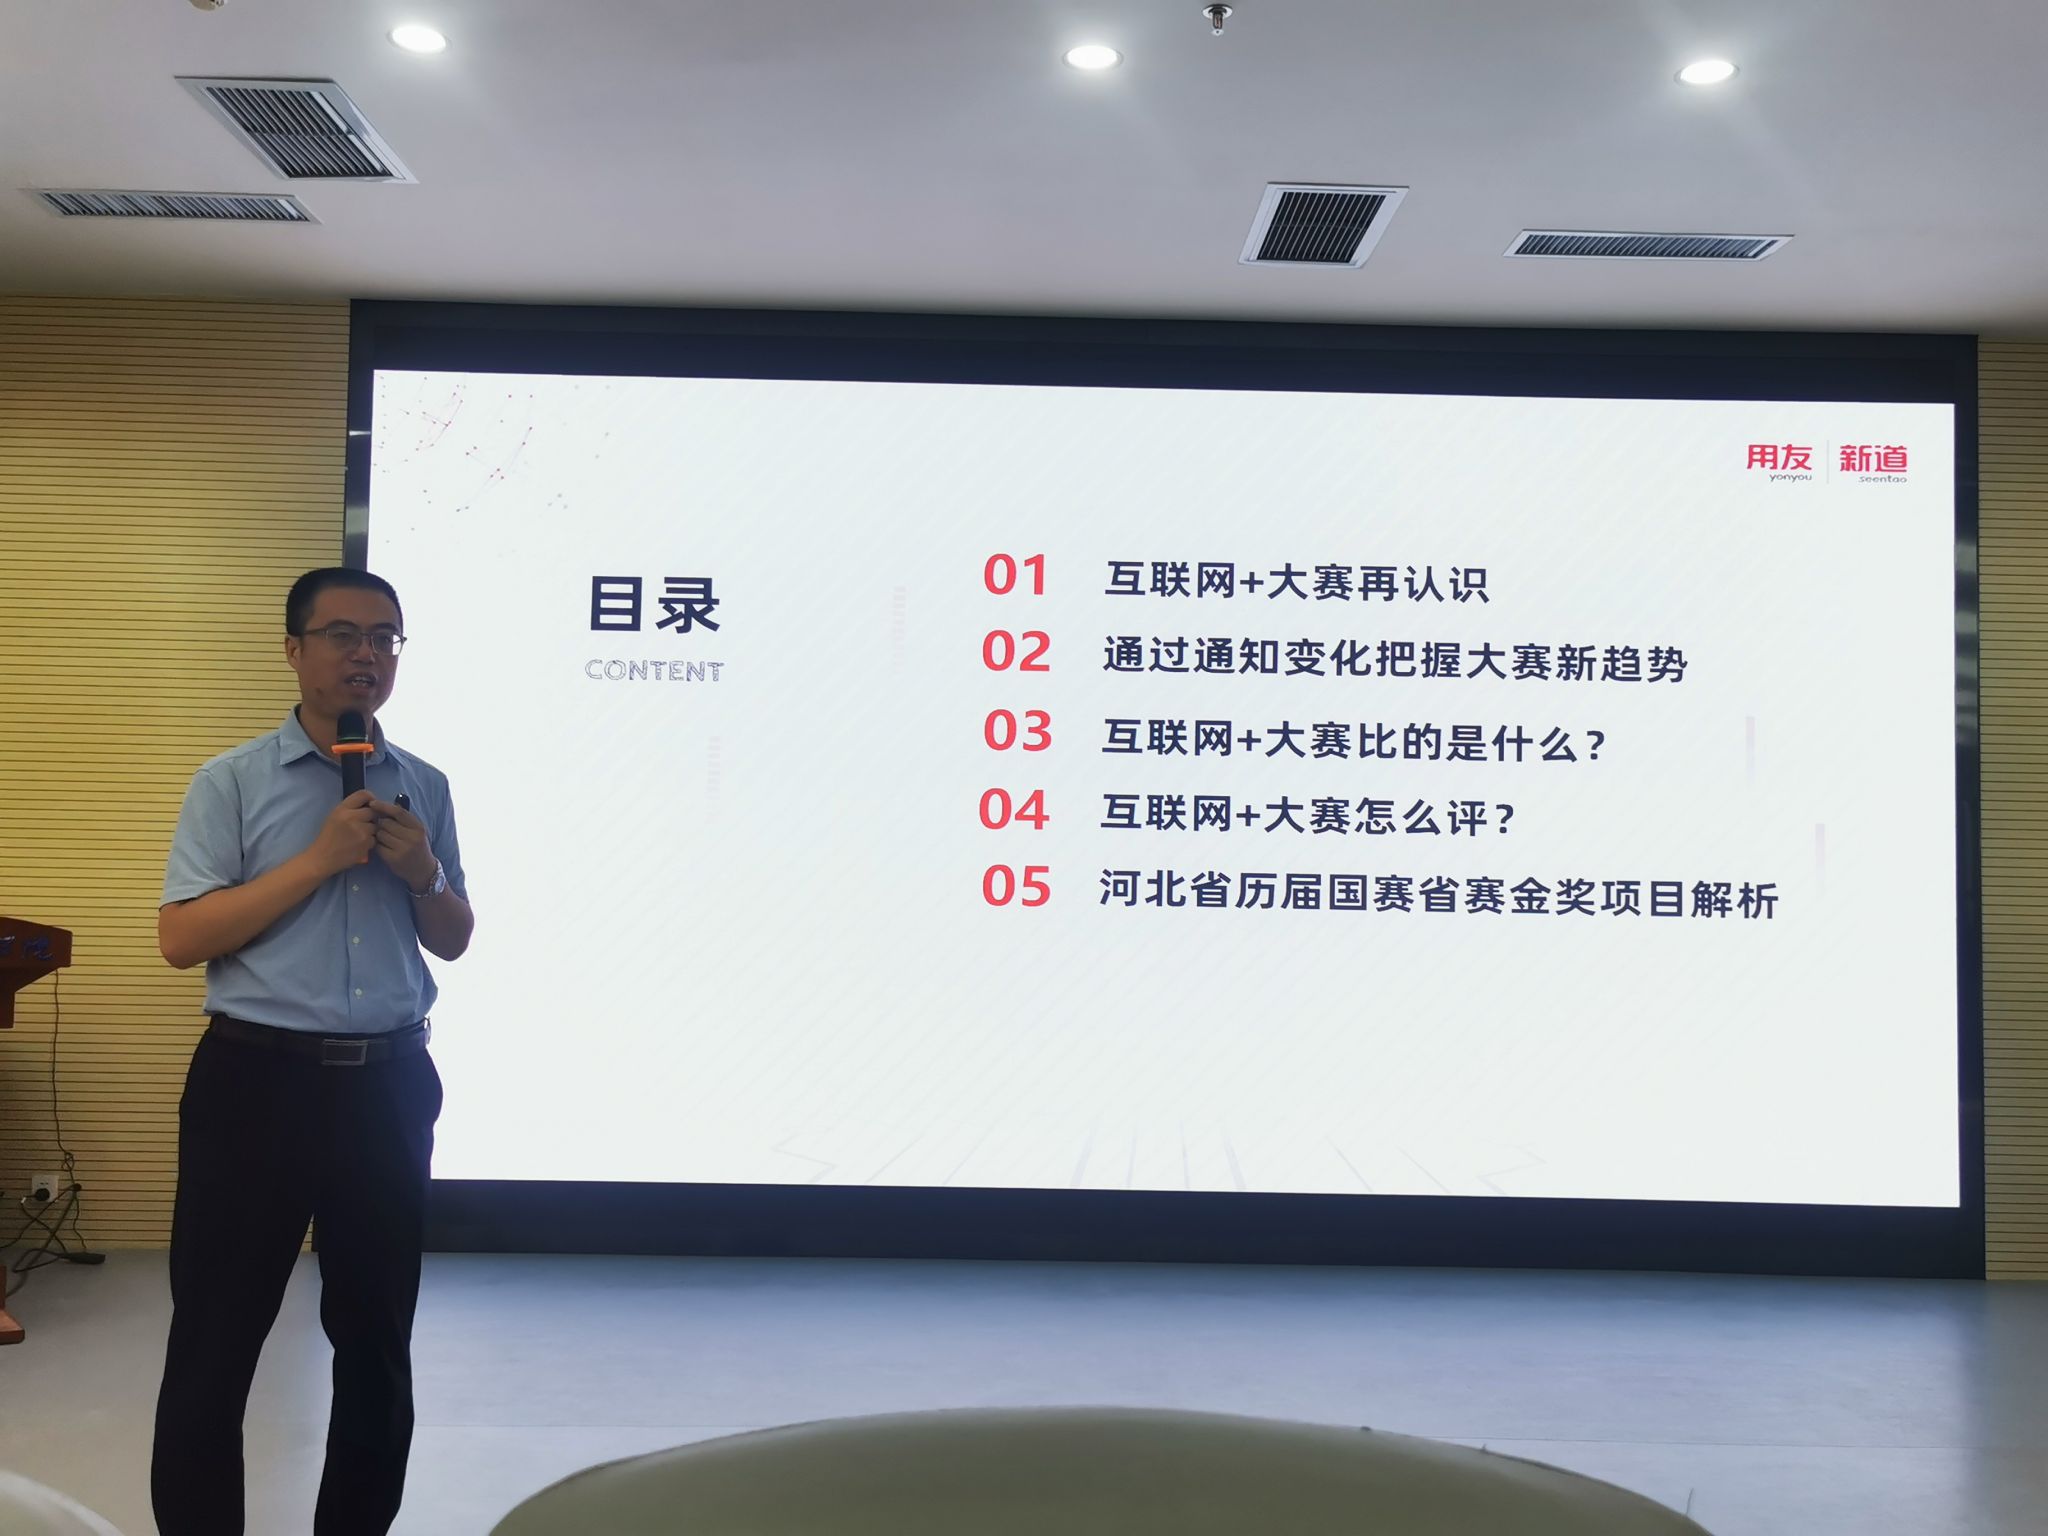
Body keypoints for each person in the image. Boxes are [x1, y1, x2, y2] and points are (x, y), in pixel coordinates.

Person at [150, 567, 474, 1536]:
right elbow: (181, 938)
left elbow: (454, 938)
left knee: (376, 1347)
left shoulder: (424, 784)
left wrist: (423, 873)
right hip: (255, 1085)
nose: (366, 654)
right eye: (342, 634)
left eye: (384, 637)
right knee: (215, 1345)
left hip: (388, 1087)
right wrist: (318, 860)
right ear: (294, 650)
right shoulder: (232, 781)